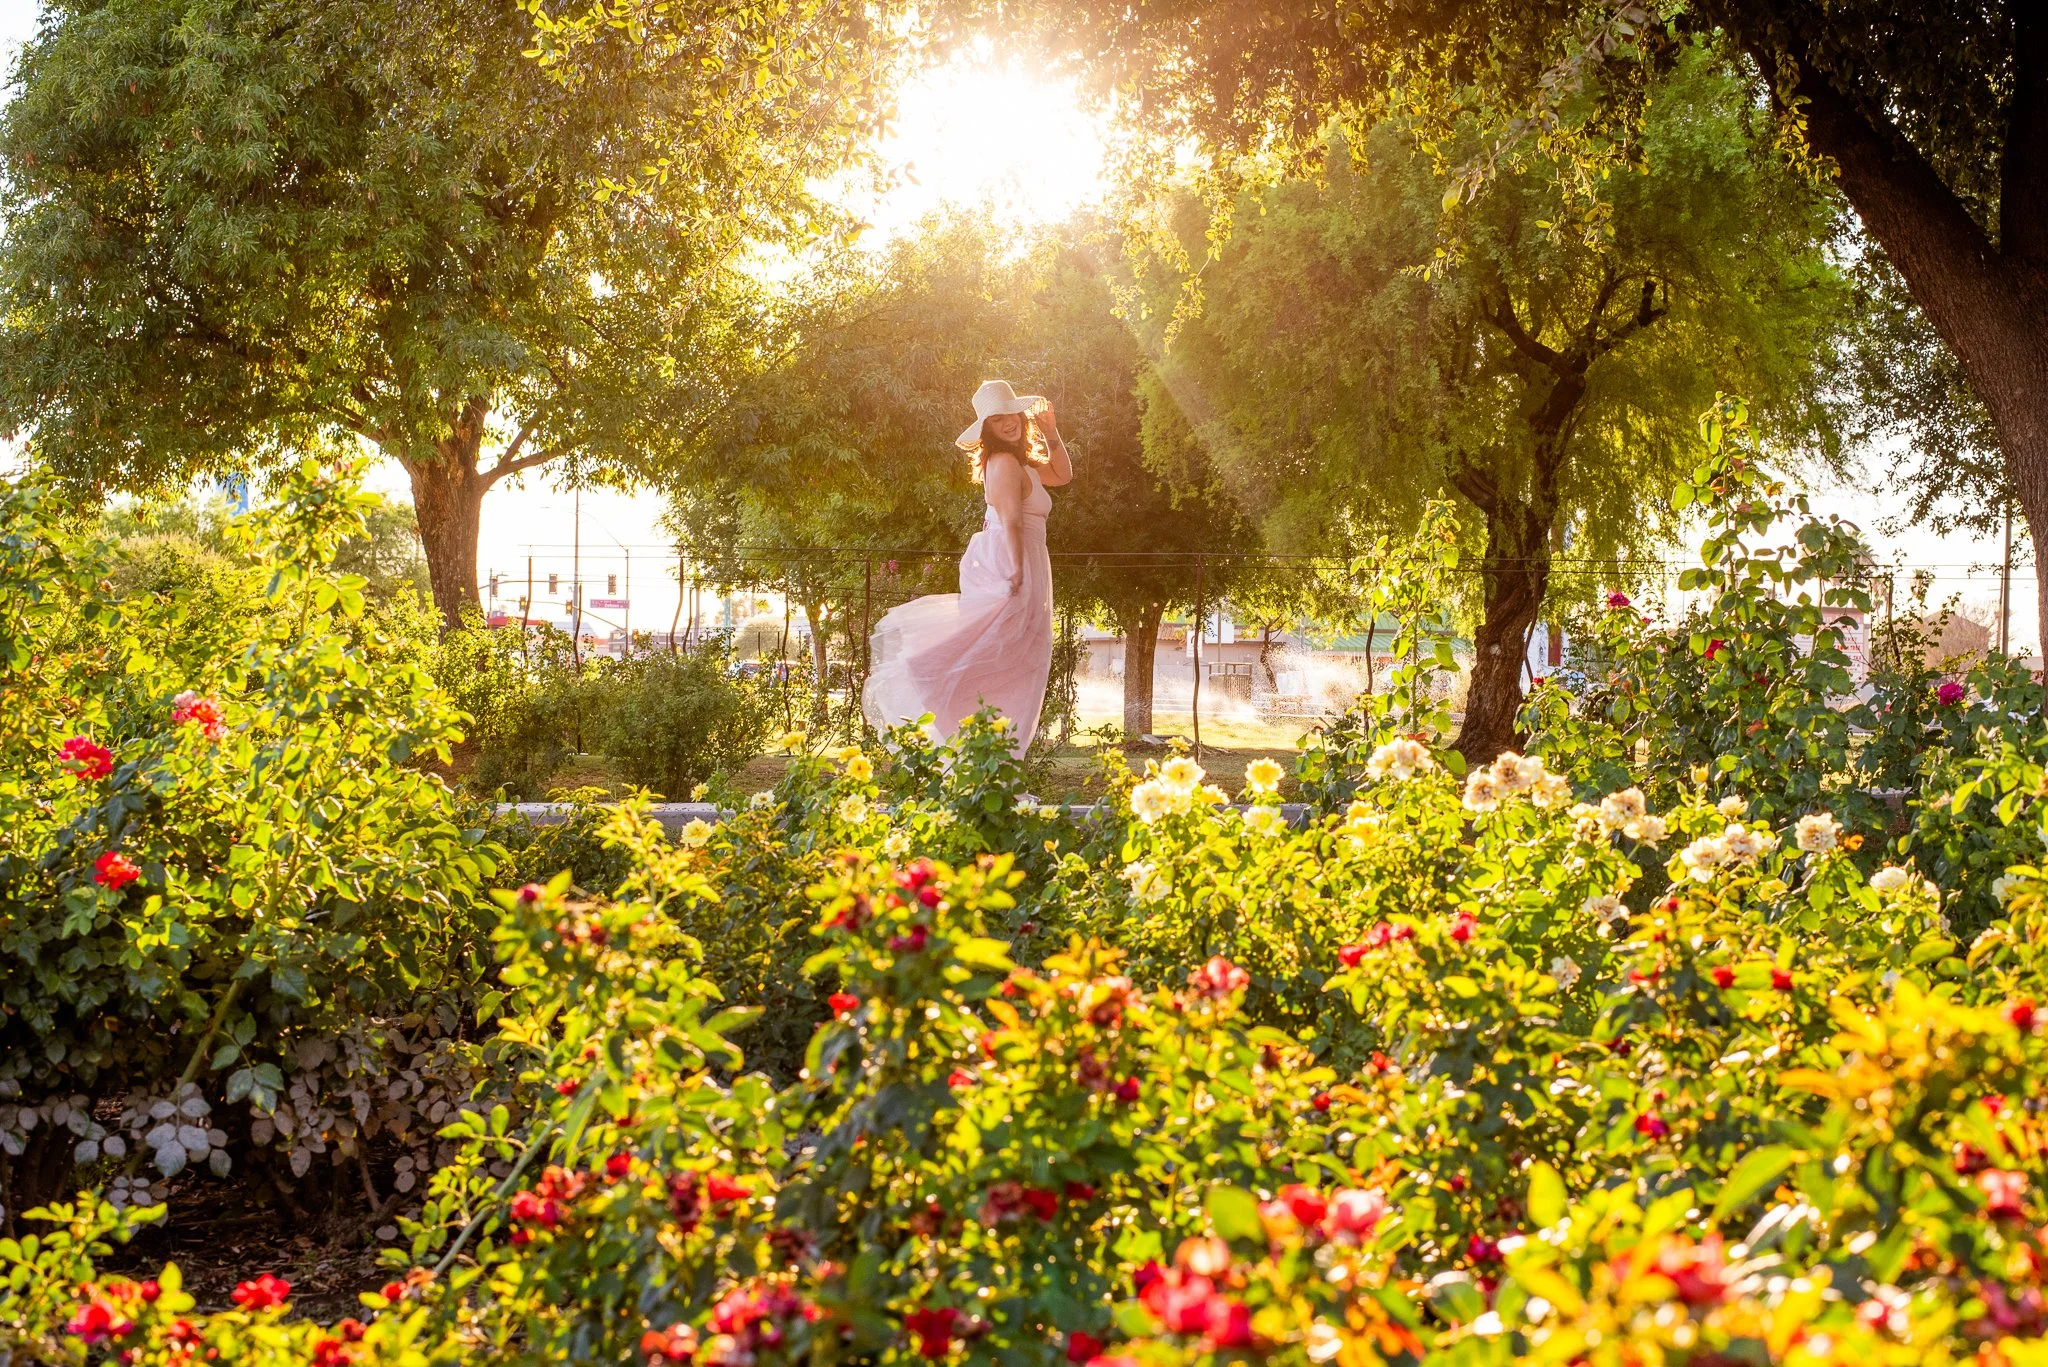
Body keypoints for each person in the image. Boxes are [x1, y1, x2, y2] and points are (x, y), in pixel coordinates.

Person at [863, 379, 1072, 755]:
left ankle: (991, 749)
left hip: (1028, 557)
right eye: (997, 420)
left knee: (1018, 655)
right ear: (987, 429)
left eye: (1011, 414)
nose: (1008, 423)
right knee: (999, 650)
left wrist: (1052, 432)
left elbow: (1063, 475)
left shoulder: (1023, 464)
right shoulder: (1004, 462)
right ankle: (932, 689)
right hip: (1013, 556)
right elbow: (1010, 519)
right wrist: (1017, 570)